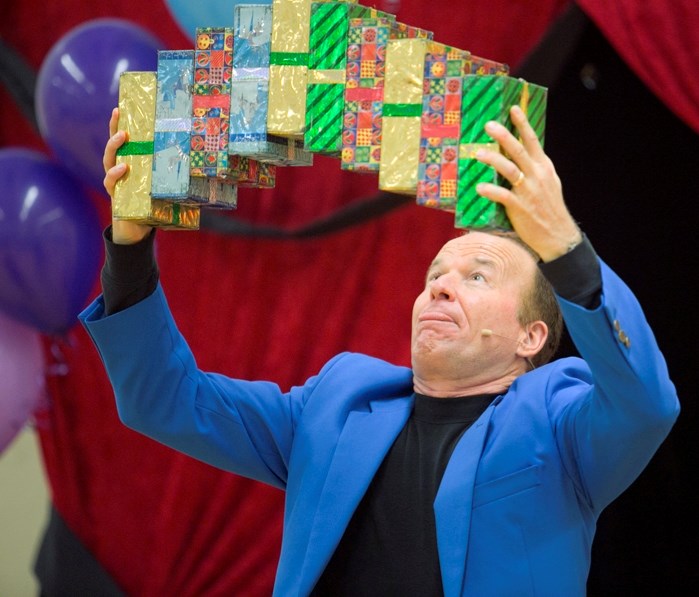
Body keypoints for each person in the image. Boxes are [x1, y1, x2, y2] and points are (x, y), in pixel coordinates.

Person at [80, 104, 679, 596]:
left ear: (532, 337)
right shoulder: (336, 404)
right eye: (435, 274)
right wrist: (130, 246)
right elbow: (165, 400)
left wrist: (565, 248)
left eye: (477, 276)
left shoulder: (562, 425)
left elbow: (645, 403)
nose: (439, 284)